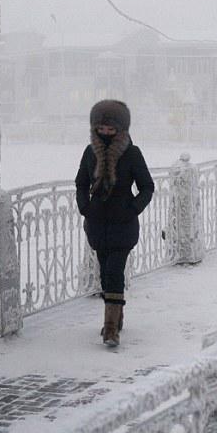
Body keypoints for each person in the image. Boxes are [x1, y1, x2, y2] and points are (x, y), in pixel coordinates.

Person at [75, 100, 154, 347]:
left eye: (111, 129)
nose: (106, 133)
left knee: (114, 272)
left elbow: (147, 187)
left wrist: (132, 208)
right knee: (105, 274)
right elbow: (80, 182)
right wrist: (85, 207)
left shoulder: (132, 153)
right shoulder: (90, 153)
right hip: (97, 223)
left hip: (122, 223)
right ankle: (117, 315)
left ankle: (110, 328)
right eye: (101, 129)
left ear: (121, 129)